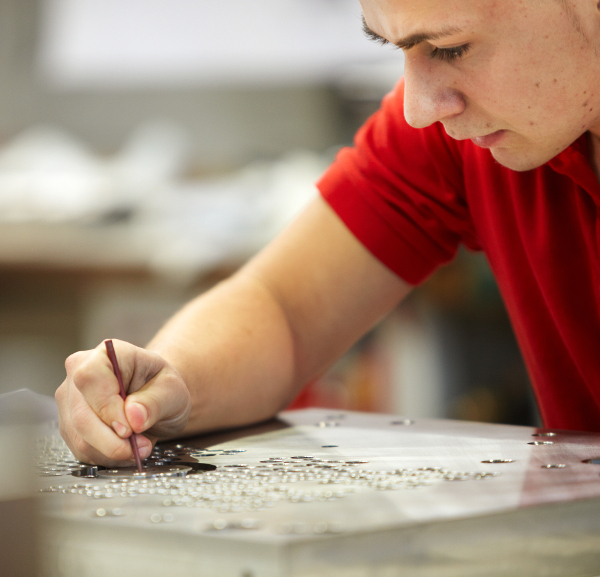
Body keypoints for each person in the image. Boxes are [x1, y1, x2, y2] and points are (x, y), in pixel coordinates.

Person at [56, 0, 600, 466]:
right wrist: (168, 386)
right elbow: (285, 310)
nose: (416, 110)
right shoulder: (464, 138)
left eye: (450, 49)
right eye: (397, 49)